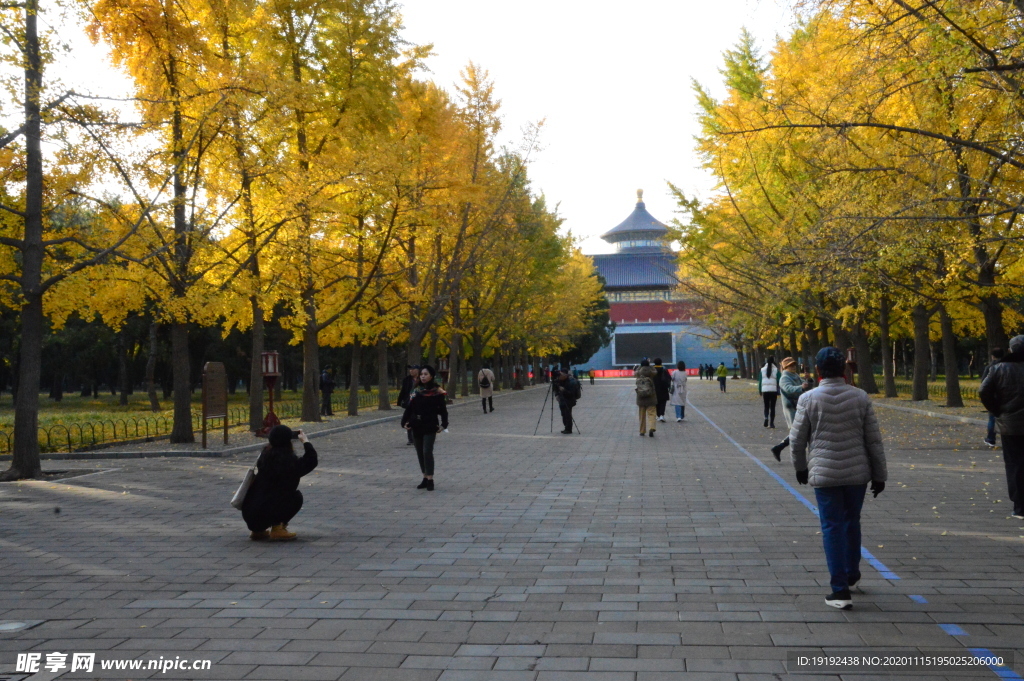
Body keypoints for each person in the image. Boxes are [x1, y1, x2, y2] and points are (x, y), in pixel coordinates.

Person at [791, 347, 887, 610]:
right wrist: (880, 475)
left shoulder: (808, 398)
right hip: (857, 473)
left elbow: (797, 440)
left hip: (824, 472)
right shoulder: (860, 397)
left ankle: (839, 589)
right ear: (845, 369)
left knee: (832, 526)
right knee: (851, 521)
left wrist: (801, 468)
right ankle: (851, 572)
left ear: (818, 371)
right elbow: (874, 441)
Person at [242, 425, 318, 541]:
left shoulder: (264, 456)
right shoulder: (289, 462)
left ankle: (258, 531)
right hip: (269, 512)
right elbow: (311, 460)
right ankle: (277, 528)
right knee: (296, 497)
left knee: (266, 492)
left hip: (250, 515)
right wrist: (305, 441)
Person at [980, 335, 1024, 520]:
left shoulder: (998, 368)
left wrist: (996, 409)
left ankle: (1019, 506)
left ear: (1011, 349)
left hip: (1010, 425)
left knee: (1014, 464)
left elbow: (983, 390)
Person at [401, 365, 449, 491]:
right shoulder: (416, 391)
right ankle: (424, 476)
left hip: (430, 424)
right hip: (416, 424)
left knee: (427, 450)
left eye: (426, 374)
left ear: (431, 376)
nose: (423, 376)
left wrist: (444, 424)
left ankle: (430, 479)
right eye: (421, 374)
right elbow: (409, 407)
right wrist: (404, 421)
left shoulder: (437, 392)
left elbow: (443, 410)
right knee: (419, 452)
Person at [771, 357, 811, 461]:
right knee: (798, 432)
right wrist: (801, 387)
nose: (793, 367)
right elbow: (789, 389)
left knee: (799, 432)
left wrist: (808, 380)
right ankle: (781, 449)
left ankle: (778, 448)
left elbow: (806, 385)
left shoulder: (795, 375)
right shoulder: (784, 378)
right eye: (790, 365)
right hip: (792, 407)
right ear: (785, 367)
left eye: (794, 365)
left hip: (799, 406)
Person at [982, 348, 1005, 448]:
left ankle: (991, 439)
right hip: (1006, 396)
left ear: (992, 356)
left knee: (992, 419)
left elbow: (984, 383)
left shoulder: (990, 367)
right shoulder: (1007, 366)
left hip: (994, 397)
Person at [553, 369, 581, 434]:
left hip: (569, 400)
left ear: (565, 375)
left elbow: (571, 394)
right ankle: (566, 427)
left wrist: (564, 390)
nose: (559, 376)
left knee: (567, 414)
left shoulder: (571, 382)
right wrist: (557, 394)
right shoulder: (559, 381)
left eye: (561, 374)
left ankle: (569, 429)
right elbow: (555, 389)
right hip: (562, 400)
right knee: (563, 414)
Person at [635, 359, 658, 437]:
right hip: (651, 396)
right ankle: (651, 427)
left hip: (641, 396)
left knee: (642, 415)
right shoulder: (651, 372)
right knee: (652, 413)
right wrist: (650, 365)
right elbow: (655, 371)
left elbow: (635, 372)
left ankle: (642, 431)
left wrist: (640, 367)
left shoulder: (638, 373)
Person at [397, 365, 419, 445]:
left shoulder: (423, 378)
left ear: (417, 370)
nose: (411, 371)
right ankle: (411, 439)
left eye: (413, 369)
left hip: (421, 402)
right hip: (410, 402)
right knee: (409, 419)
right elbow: (403, 390)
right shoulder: (407, 379)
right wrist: (400, 401)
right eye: (410, 369)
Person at [758, 356, 780, 428]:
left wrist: (760, 390)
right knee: (773, 407)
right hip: (773, 391)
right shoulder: (776, 370)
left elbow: (760, 381)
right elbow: (779, 380)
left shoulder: (762, 370)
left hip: (765, 390)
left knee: (766, 406)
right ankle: (772, 423)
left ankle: (766, 418)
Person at [653, 358, 671, 422]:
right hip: (663, 388)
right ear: (661, 362)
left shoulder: (652, 369)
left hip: (654, 388)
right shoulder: (664, 369)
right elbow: (669, 378)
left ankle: (658, 415)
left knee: (656, 402)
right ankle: (662, 415)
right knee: (663, 402)